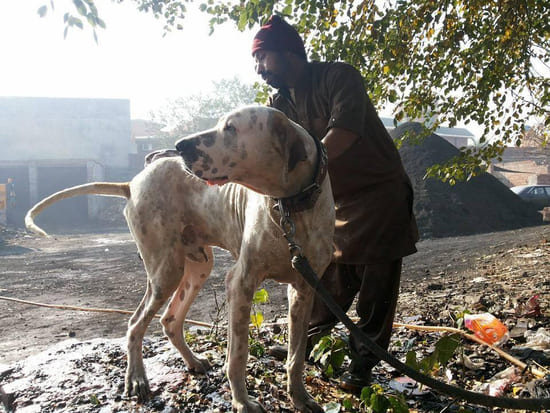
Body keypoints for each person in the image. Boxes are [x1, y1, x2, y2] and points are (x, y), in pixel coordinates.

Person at [251, 15, 418, 392]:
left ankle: (361, 366)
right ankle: (306, 346)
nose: (259, 69)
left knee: (375, 294)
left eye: (263, 58)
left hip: (379, 195)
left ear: (289, 52)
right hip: (336, 204)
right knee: (329, 284)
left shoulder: (339, 77)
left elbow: (342, 133)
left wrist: (304, 178)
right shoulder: (280, 104)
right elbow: (275, 153)